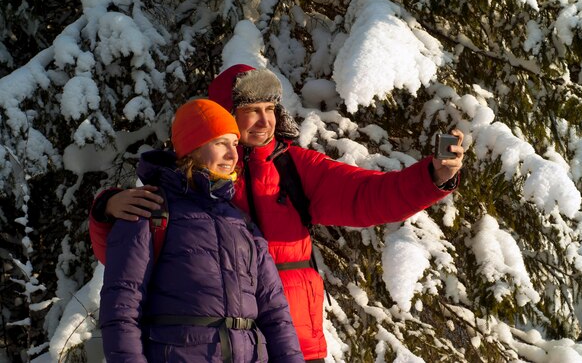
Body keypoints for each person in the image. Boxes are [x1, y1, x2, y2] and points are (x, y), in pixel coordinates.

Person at [91, 65, 465, 362]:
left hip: (296, 341)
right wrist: (106, 211)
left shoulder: (295, 168)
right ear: (222, 116)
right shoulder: (186, 181)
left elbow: (369, 195)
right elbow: (130, 269)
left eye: (270, 109)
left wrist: (433, 176)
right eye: (251, 110)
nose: (264, 120)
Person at [99, 98, 304, 363]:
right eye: (220, 143)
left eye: (234, 144)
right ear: (192, 148)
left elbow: (275, 314)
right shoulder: (150, 210)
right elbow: (121, 310)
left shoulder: (241, 222)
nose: (232, 155)